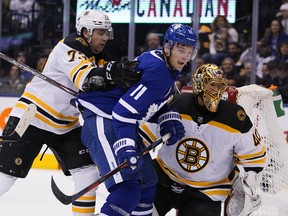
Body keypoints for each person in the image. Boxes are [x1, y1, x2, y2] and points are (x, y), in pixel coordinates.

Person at [0, 10, 141, 216]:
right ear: (86, 31)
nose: (105, 38)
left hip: (66, 124)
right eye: (100, 32)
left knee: (87, 174)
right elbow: (86, 80)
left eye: (107, 33)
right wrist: (113, 72)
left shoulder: (99, 56)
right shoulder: (71, 44)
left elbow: (109, 80)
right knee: (5, 176)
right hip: (33, 116)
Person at [75, 23, 198, 215]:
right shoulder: (159, 72)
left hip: (119, 122)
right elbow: (123, 112)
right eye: (181, 49)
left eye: (189, 51)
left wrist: (165, 115)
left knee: (146, 188)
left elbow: (146, 102)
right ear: (168, 47)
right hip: (104, 121)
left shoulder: (162, 65)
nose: (185, 56)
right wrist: (126, 146)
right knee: (127, 192)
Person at [139, 64, 266, 216]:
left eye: (220, 85)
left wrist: (248, 182)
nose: (217, 90)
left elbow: (255, 158)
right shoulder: (175, 105)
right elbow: (142, 139)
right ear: (199, 85)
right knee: (135, 211)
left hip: (206, 193)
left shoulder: (236, 118)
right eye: (212, 85)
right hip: (163, 180)